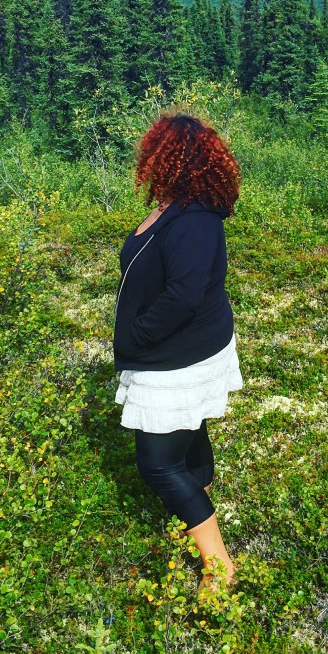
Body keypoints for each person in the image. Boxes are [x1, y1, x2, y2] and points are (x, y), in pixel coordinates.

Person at [113, 113, 242, 588]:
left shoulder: (194, 220)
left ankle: (220, 568)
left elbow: (184, 296)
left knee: (159, 464)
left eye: (152, 152)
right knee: (190, 433)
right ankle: (197, 506)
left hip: (177, 357)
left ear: (169, 158)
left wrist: (138, 335)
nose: (145, 159)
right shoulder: (175, 207)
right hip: (181, 350)